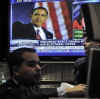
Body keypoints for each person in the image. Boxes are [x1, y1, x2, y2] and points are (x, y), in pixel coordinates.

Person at [0, 48, 86, 99]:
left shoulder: (31, 86)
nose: (38, 68)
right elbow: (24, 96)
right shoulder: (6, 91)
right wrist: (63, 90)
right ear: (15, 70)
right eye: (31, 65)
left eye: (38, 64)